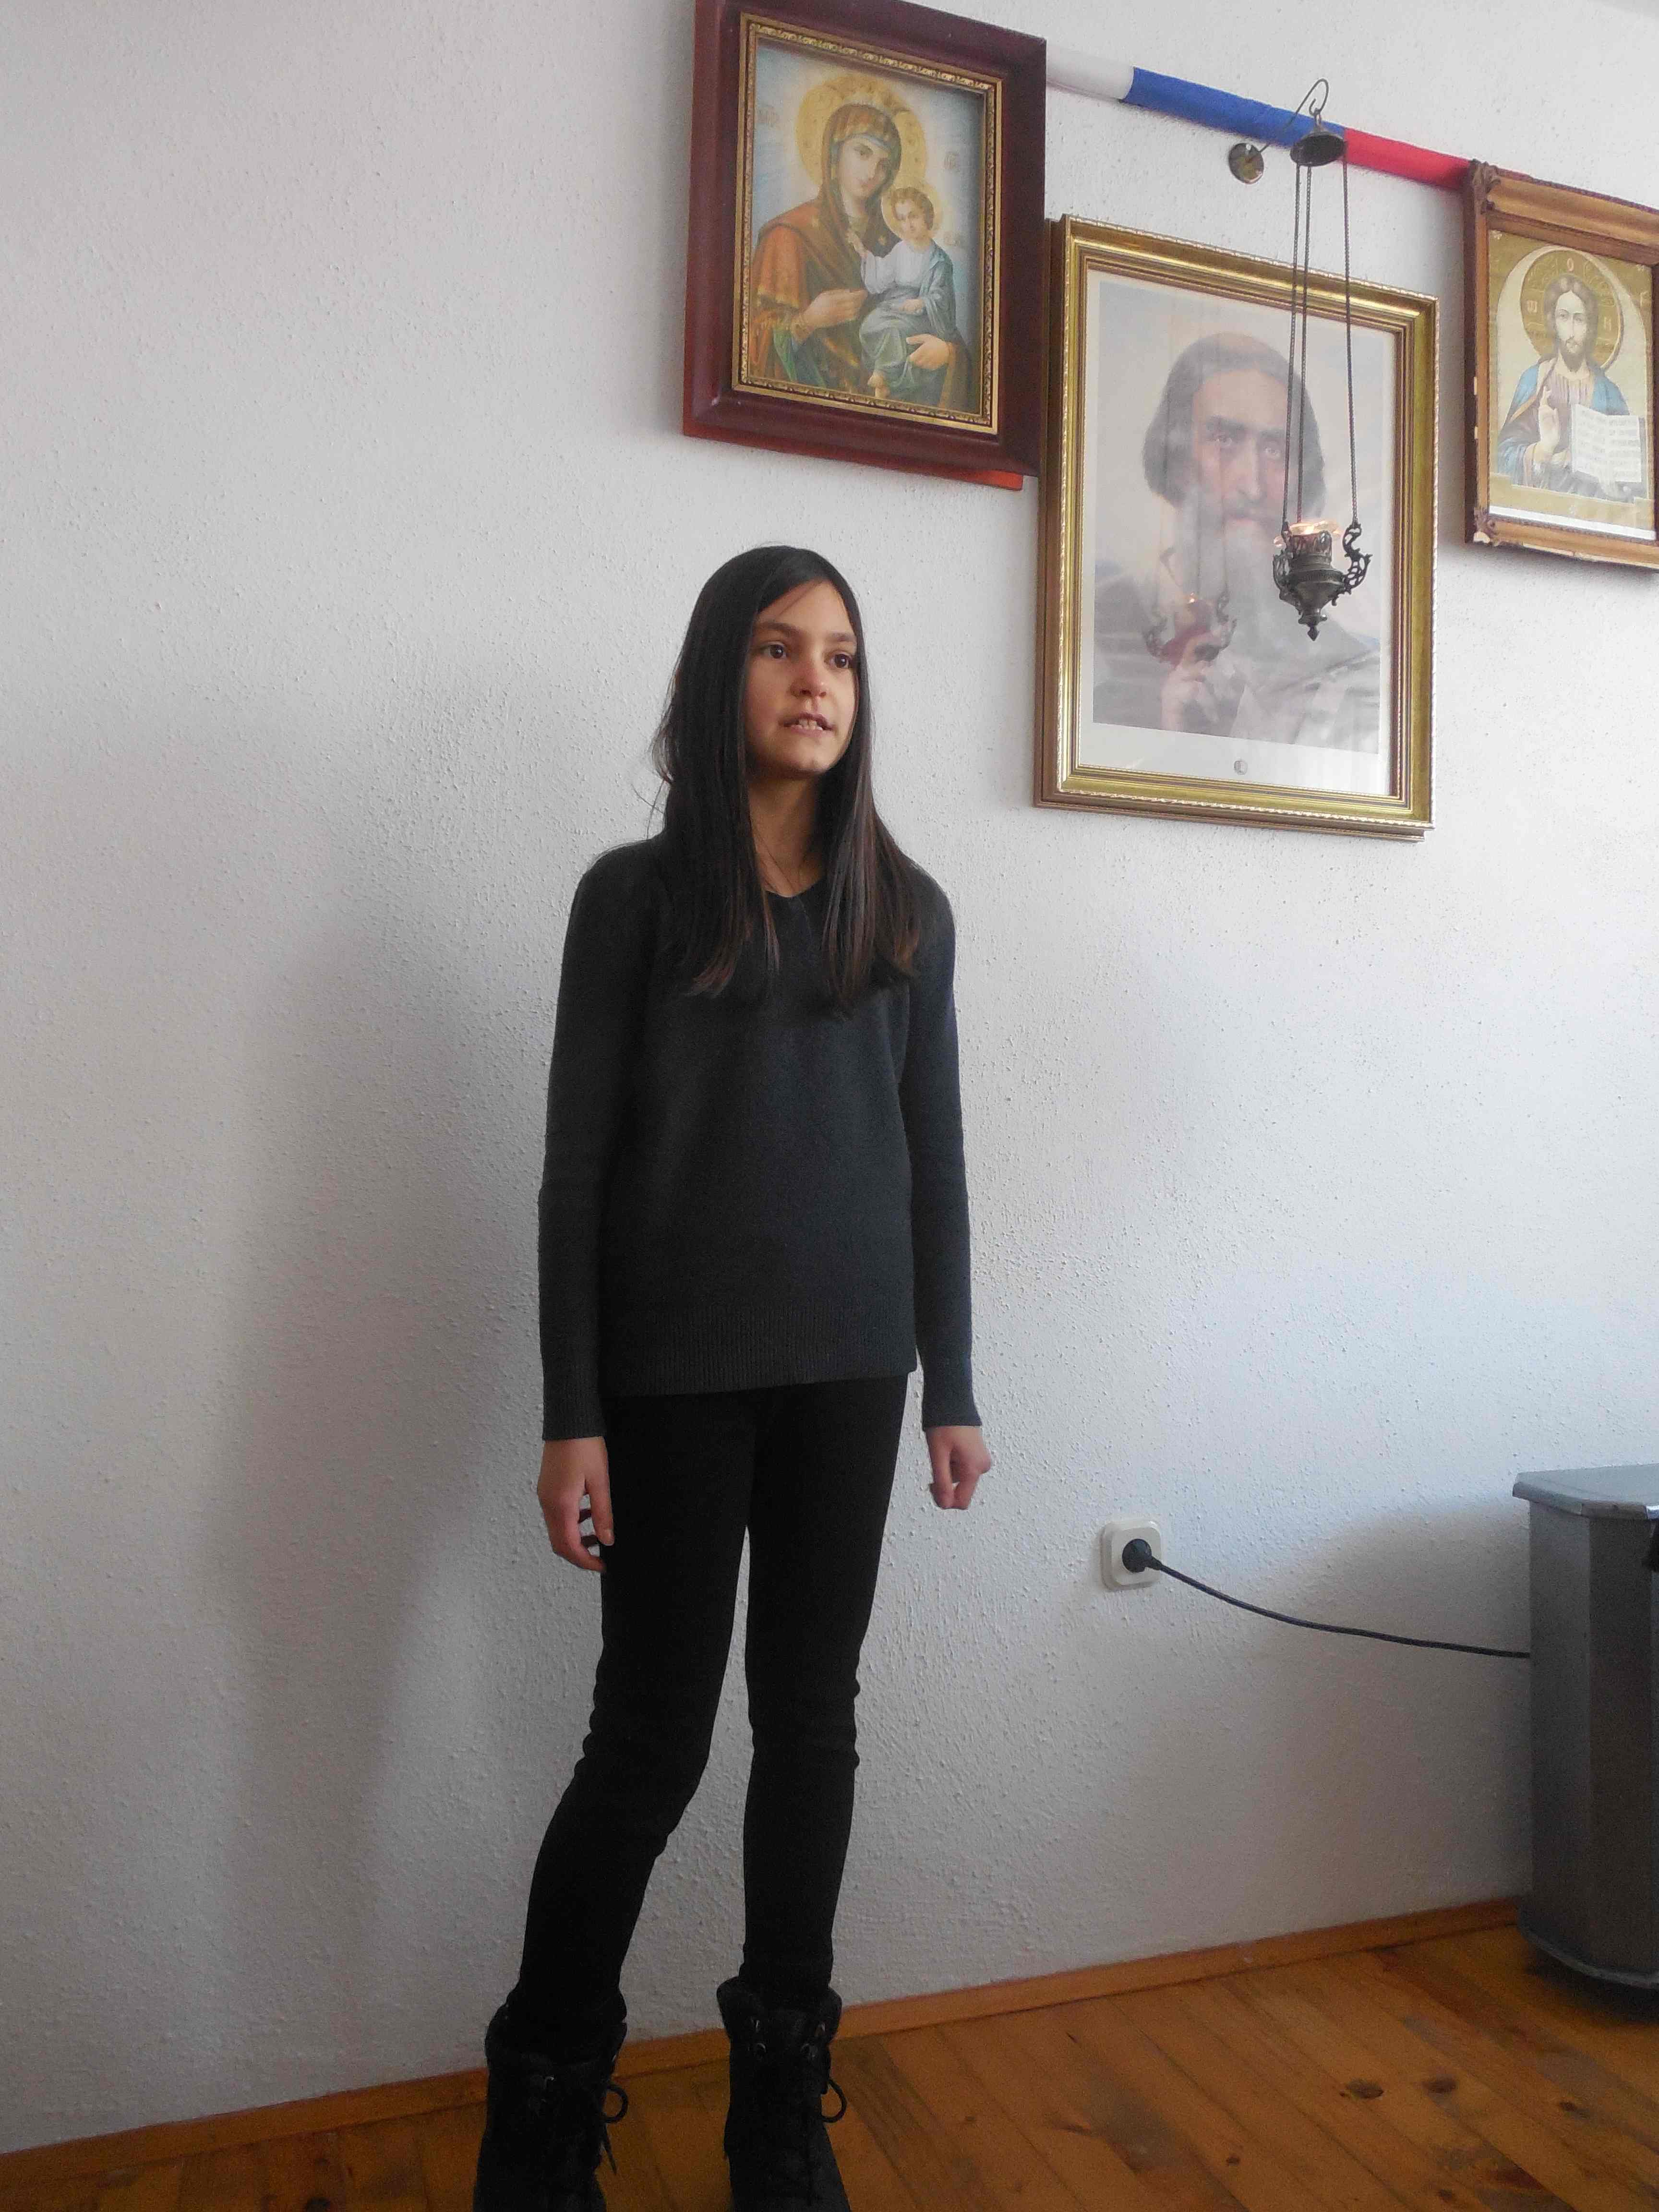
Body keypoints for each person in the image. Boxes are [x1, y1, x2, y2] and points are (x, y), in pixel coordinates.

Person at [471, 543, 993, 2212]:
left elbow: (932, 1160)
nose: (815, 679)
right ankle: (541, 2113)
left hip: (852, 1369)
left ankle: (775, 2107)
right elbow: (575, 1167)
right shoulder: (632, 900)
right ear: (721, 676)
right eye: (778, 648)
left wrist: (952, 1380)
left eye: (840, 653)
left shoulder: (907, 912)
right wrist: (570, 1411)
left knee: (812, 1724)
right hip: (672, 1382)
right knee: (648, 1738)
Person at [1093, 331, 1381, 752]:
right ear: (1177, 462)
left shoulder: (1355, 676)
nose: (1252, 485)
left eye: (1275, 450)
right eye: (1224, 440)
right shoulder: (1109, 626)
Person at [746, 101, 971, 411]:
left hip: (884, 413)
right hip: (811, 412)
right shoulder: (790, 235)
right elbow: (749, 345)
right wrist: (808, 321)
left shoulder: (901, 246)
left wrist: (946, 352)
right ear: (835, 153)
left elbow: (941, 320)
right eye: (863, 153)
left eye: (884, 165)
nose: (872, 173)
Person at [1494, 270, 1640, 501]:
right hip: (1541, 506)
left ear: (1590, 327)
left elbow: (1633, 474)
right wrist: (1544, 449)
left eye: (1579, 320)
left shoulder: (1609, 393)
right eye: (1564, 317)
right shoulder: (1535, 380)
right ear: (1553, 323)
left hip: (1595, 511)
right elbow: (1502, 458)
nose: (1571, 331)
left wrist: (1617, 489)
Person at [857, 187, 970, 408]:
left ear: (927, 216)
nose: (908, 225)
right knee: (870, 325)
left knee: (895, 330)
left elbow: (941, 297)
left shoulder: (939, 261)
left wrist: (921, 302)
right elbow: (883, 274)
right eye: (902, 219)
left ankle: (886, 375)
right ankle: (885, 377)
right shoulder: (900, 250)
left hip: (924, 316)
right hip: (896, 305)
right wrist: (865, 256)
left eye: (913, 216)